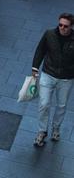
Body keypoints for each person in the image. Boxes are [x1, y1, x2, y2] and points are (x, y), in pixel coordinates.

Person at [31, 13, 74, 147]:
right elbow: (40, 50)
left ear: (72, 27)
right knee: (44, 104)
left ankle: (56, 127)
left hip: (66, 78)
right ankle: (42, 131)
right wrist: (35, 68)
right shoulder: (49, 34)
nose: (62, 28)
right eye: (60, 25)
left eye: (66, 26)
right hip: (48, 73)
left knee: (61, 106)